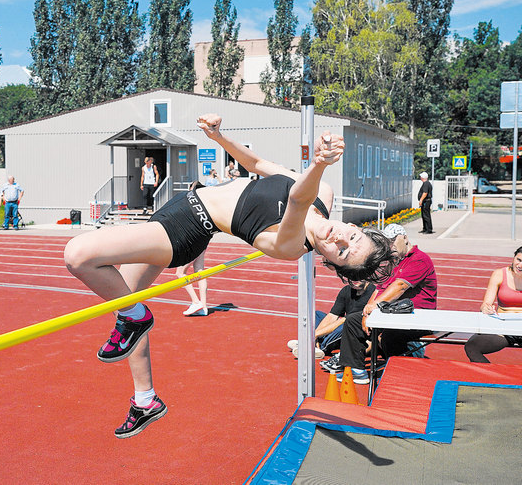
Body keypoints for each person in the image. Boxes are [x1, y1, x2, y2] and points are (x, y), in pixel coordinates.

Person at [63, 112, 398, 438]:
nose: (338, 238)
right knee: (125, 295)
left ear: (331, 262)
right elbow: (258, 166)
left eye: (341, 251)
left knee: (78, 256)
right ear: (353, 227)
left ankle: (135, 318)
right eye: (351, 237)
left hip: (183, 229)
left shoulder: (291, 244)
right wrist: (219, 138)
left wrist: (320, 162)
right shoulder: (325, 194)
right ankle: (145, 399)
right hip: (180, 206)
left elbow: (297, 199)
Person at [335, 223, 437, 384]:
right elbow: (379, 290)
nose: (389, 246)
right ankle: (355, 369)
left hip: (418, 317)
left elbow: (400, 286)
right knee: (353, 320)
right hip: (394, 315)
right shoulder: (394, 263)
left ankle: (400, 372)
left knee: (390, 334)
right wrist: (366, 313)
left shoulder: (420, 259)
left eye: (392, 241)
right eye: (386, 243)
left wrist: (373, 308)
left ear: (404, 237)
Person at [288, 279, 375, 362]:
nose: (353, 279)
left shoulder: (371, 292)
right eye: (350, 275)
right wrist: (314, 335)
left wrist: (316, 334)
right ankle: (313, 343)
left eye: (358, 276)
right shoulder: (346, 290)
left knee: (347, 323)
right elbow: (333, 315)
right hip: (346, 323)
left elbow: (344, 320)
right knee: (317, 314)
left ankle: (321, 347)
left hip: (361, 332)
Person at [464, 247, 522, 362]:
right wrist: (486, 308)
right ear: (513, 258)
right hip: (503, 329)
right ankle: (491, 378)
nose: (520, 265)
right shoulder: (499, 274)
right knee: (472, 347)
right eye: (519, 260)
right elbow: (485, 304)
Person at [175, 250, 209, 316]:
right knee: (200, 272)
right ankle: (203, 307)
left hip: (193, 245)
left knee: (180, 272)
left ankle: (196, 302)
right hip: (202, 243)